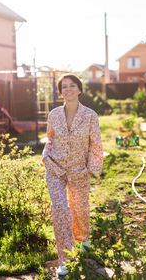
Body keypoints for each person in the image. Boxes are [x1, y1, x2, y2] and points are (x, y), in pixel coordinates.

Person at [42, 73, 103, 276]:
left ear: (79, 89)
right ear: (61, 92)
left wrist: (90, 169)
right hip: (55, 169)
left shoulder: (90, 116)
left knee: (80, 210)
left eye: (72, 85)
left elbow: (95, 144)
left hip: (79, 171)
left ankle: (83, 240)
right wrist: (46, 155)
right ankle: (66, 258)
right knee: (60, 210)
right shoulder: (53, 115)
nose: (67, 89)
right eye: (64, 87)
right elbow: (49, 139)